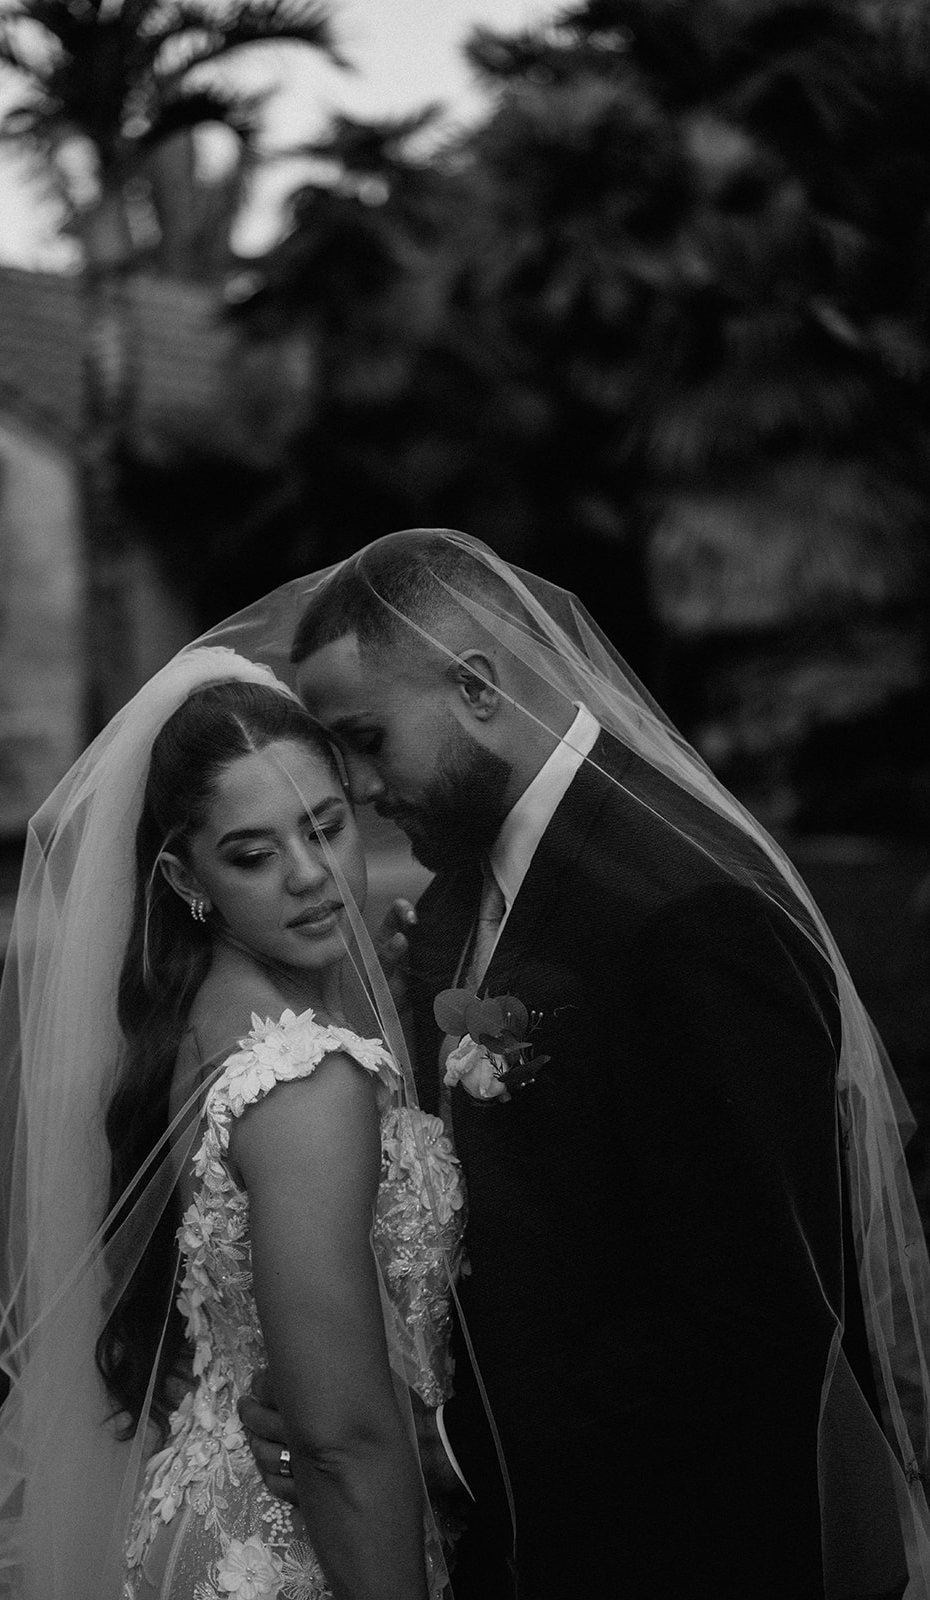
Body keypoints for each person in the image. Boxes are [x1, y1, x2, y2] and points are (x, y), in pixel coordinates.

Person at [236, 529, 930, 1599]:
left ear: (473, 685)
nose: (362, 788)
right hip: (539, 1539)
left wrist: (449, 1439)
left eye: (367, 740)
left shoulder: (689, 912)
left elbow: (753, 1323)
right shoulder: (468, 876)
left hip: (682, 1549)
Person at [0, 647, 464, 1600]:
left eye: (325, 827)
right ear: (183, 875)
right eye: (253, 855)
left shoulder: (191, 1016)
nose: (310, 876)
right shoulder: (303, 1082)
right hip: (304, 1546)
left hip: (210, 1507)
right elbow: (339, 1442)